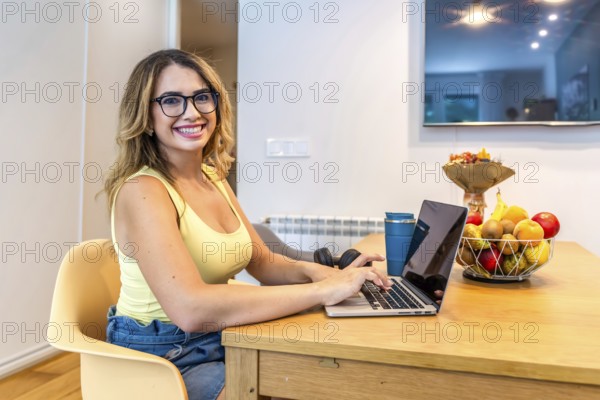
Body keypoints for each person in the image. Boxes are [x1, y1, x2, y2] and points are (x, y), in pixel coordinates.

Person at [103, 49, 391, 400]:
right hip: (164, 353)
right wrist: (321, 292)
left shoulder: (213, 177)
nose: (192, 112)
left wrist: (323, 273)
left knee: (329, 376)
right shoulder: (142, 190)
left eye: (201, 98)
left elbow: (263, 263)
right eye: (171, 101)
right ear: (145, 117)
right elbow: (190, 309)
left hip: (218, 335)